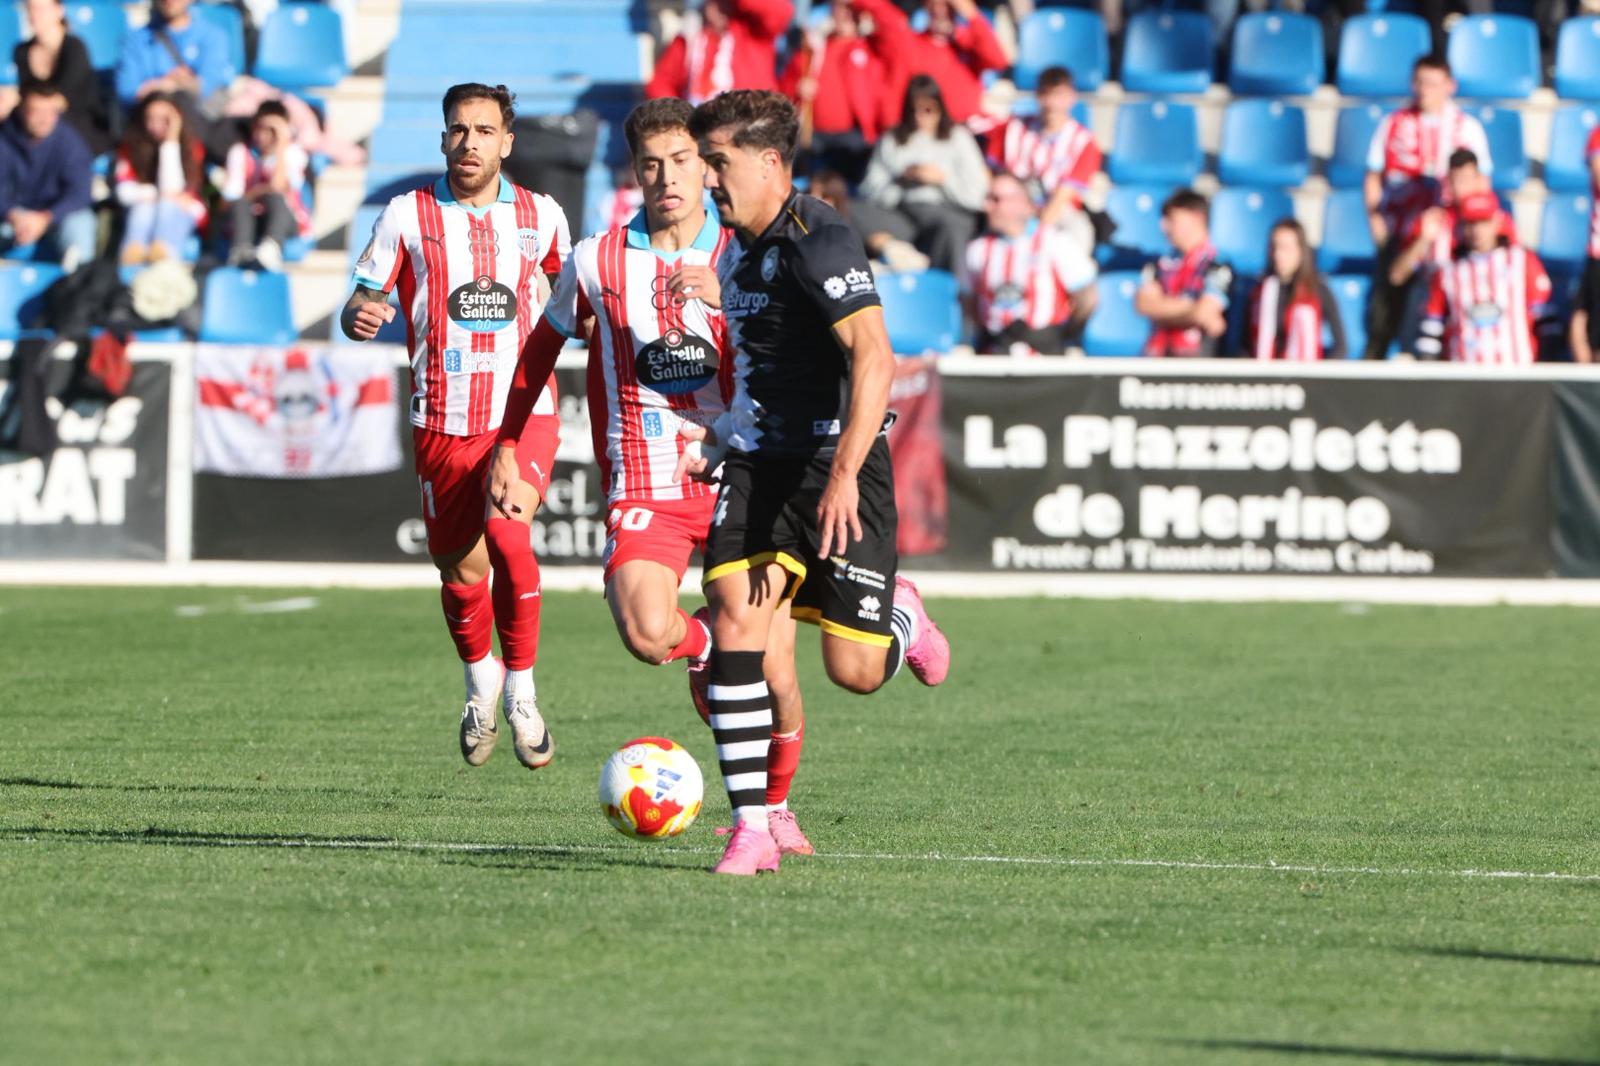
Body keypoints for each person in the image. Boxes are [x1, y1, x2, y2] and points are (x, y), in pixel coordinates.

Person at [492, 98, 817, 856]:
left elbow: (803, 353)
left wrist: (730, 307)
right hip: (648, 484)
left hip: (745, 474)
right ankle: (708, 653)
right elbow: (538, 353)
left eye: (680, 161)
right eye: (650, 164)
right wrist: (508, 442)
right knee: (646, 631)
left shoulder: (746, 255)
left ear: (706, 168)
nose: (666, 177)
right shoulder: (598, 261)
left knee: (774, 672)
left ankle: (774, 808)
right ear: (634, 172)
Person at [678, 90, 951, 876]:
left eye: (718, 164)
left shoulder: (819, 237)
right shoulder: (733, 250)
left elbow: (875, 357)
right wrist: (722, 436)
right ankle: (751, 828)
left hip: (842, 467)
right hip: (762, 465)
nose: (708, 182)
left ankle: (902, 612)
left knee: (854, 673)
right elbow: (767, 371)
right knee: (736, 622)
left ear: (769, 163)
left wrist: (838, 477)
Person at [341, 83, 571, 770]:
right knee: (461, 570)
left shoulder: (543, 216)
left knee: (508, 535)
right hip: (442, 417)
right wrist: (360, 315)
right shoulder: (406, 215)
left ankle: (523, 694)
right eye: (457, 130)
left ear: (507, 141)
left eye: (483, 130)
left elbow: (573, 303)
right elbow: (364, 297)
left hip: (520, 411)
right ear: (443, 139)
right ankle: (482, 683)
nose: (469, 142)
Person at [1363, 55, 1491, 360]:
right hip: (1402, 236)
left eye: (1433, 83)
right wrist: (1378, 228)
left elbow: (1482, 184)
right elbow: (1373, 177)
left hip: (1449, 241)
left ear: (1450, 86)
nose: (1425, 91)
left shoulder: (1467, 128)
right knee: (1386, 315)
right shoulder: (1393, 123)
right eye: (1420, 82)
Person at [856, 75, 989, 272]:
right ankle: (895, 255)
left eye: (928, 110)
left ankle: (940, 289)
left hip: (946, 211)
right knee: (840, 207)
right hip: (901, 214)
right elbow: (867, 191)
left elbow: (978, 196)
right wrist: (900, 181)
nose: (920, 117)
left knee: (951, 227)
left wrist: (942, 179)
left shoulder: (959, 138)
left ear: (939, 108)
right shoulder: (892, 139)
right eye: (913, 110)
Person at [962, 171, 1098, 355]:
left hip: (1044, 351)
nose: (986, 206)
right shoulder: (977, 249)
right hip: (995, 350)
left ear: (1022, 203)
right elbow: (968, 302)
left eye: (995, 199)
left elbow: (1087, 299)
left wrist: (1060, 335)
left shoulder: (1056, 242)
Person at [1416, 191, 1552, 365]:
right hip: (1465, 373)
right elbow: (1432, 327)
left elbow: (1546, 319)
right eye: (1471, 223)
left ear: (1496, 222)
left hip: (1516, 371)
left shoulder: (1522, 261)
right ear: (1461, 226)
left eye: (1483, 222)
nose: (1477, 230)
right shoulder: (1448, 271)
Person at [984, 66, 1101, 253]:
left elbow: (1060, 201)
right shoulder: (1013, 129)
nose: (1052, 103)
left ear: (1072, 97)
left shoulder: (1083, 142)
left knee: (1078, 232)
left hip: (1056, 211)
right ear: (1038, 96)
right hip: (1011, 206)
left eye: (1059, 95)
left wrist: (1031, 234)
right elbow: (990, 174)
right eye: (1046, 94)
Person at [778, 0, 886, 184]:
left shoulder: (873, 47)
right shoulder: (813, 47)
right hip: (814, 137)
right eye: (840, 7)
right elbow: (783, 89)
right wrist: (797, 88)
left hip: (856, 139)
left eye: (850, 9)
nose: (845, 15)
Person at [853, 0, 1006, 127]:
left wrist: (970, 14)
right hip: (931, 132)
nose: (940, 11)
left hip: (966, 130)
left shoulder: (966, 44)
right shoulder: (913, 44)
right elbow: (889, 19)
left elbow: (998, 60)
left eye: (947, 5)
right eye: (934, 5)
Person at [0, 81, 95, 268]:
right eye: (36, 111)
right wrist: (13, 215)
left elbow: (80, 193)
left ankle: (78, 280)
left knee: (81, 222)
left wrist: (45, 218)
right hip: (11, 219)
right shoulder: (4, 139)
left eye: (51, 112)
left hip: (54, 217)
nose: (44, 119)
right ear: (22, 110)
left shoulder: (70, 142)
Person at [1135, 189, 1232, 358]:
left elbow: (1205, 311)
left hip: (1195, 366)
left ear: (1197, 218)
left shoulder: (1217, 263)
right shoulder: (1160, 263)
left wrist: (1161, 310)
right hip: (1155, 358)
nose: (1164, 226)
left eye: (1172, 219)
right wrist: (1191, 306)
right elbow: (1143, 305)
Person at [113, 91, 207, 265]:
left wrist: (170, 142)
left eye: (164, 119)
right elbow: (124, 192)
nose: (156, 125)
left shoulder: (191, 146)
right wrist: (156, 194)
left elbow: (173, 190)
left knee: (168, 206)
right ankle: (131, 259)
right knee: (144, 208)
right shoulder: (130, 147)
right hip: (147, 207)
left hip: (183, 209)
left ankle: (164, 258)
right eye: (150, 118)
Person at [645, 0, 794, 105]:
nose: (719, 9)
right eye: (714, 2)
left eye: (725, 3)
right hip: (702, 131)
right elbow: (660, 83)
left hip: (750, 126)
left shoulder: (752, 32)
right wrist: (680, 116)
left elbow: (781, 12)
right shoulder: (689, 37)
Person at [13, 0, 112, 155]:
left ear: (59, 10)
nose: (34, 14)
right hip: (35, 124)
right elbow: (25, 94)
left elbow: (62, 100)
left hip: (77, 125)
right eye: (30, 8)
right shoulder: (22, 51)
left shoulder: (75, 48)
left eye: (40, 9)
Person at [221, 100, 310, 270]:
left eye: (272, 130)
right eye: (260, 128)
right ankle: (240, 250)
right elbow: (231, 199)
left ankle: (272, 245)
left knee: (274, 198)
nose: (263, 135)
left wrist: (281, 147)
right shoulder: (240, 153)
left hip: (284, 220)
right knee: (241, 205)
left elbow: (278, 186)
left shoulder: (293, 153)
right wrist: (258, 192)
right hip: (250, 218)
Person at [1246, 220, 1347, 361]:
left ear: (1301, 251)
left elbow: (1341, 346)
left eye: (1285, 248)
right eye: (1274, 247)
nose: (1278, 255)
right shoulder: (1258, 292)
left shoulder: (1318, 290)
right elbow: (1243, 344)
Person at [114, 0, 235, 113]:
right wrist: (168, 84)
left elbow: (210, 86)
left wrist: (162, 86)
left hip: (198, 121)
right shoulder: (135, 40)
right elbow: (127, 92)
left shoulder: (213, 36)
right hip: (151, 120)